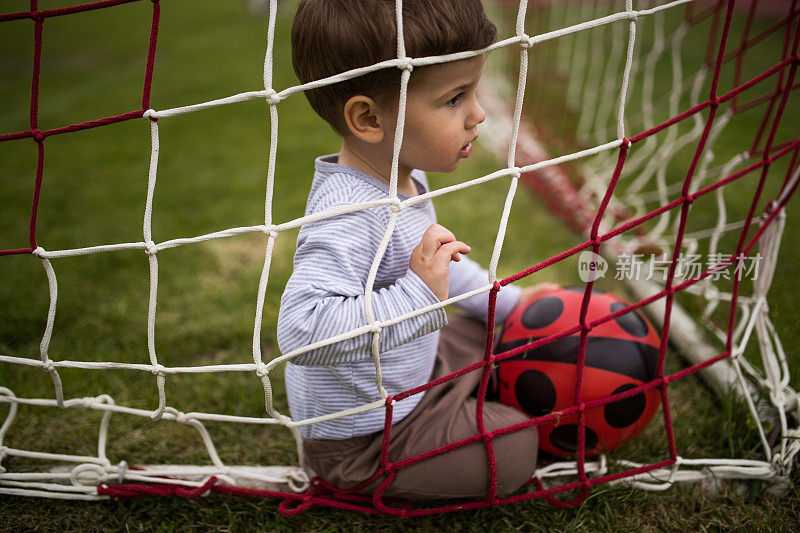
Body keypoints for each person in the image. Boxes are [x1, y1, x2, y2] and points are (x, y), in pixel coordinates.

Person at [278, 0, 555, 499]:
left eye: (474, 91)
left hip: (415, 371)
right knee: (513, 446)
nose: (479, 114)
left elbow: (444, 270)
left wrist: (512, 303)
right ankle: (450, 424)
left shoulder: (400, 171)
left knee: (498, 326)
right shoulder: (347, 214)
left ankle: (473, 388)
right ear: (368, 118)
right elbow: (302, 330)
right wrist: (418, 296)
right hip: (366, 437)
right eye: (455, 99)